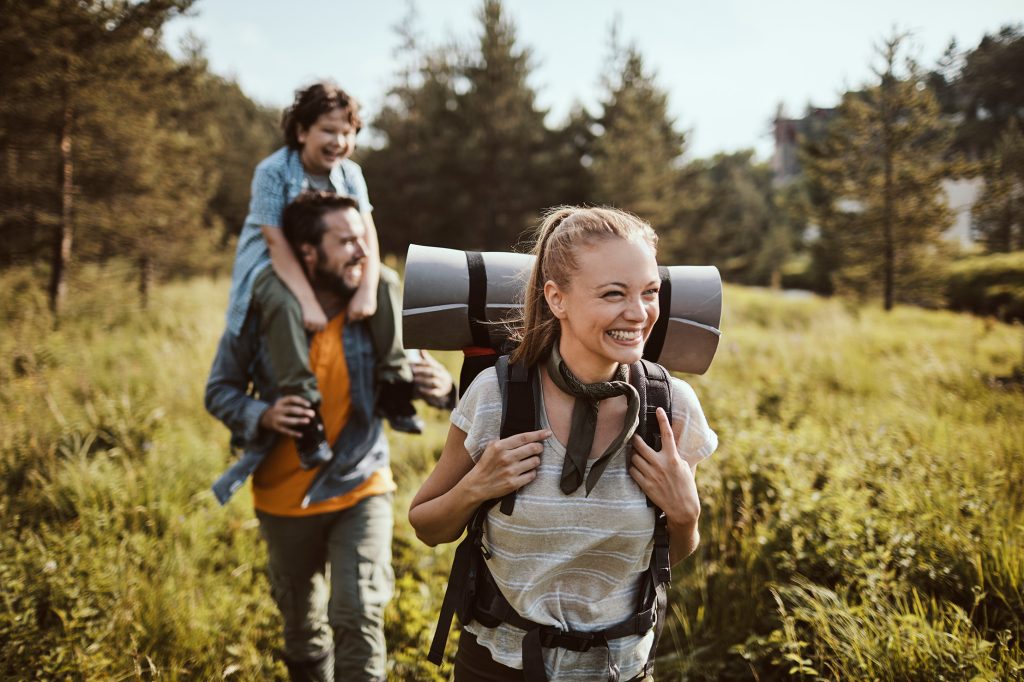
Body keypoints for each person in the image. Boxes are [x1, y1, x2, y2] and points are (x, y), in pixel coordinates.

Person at [409, 206, 717, 681]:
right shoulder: (496, 396)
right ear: (557, 298)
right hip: (501, 665)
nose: (638, 314)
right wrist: (476, 487)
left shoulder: (671, 408)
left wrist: (685, 514)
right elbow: (426, 527)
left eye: (649, 292)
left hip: (620, 669)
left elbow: (665, 556)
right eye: (613, 294)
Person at [206, 191, 455, 682]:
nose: (360, 251)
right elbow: (219, 391)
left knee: (358, 612)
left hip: (361, 486)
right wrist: (265, 412)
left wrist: (444, 388)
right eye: (344, 242)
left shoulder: (373, 306)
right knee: (301, 626)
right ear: (307, 252)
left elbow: (428, 381)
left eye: (361, 238)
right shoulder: (261, 312)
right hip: (282, 497)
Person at [223, 81, 421, 471]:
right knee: (282, 301)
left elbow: (368, 232)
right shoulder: (273, 171)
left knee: (386, 281)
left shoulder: (350, 174)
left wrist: (366, 290)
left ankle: (395, 384)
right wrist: (307, 301)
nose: (339, 141)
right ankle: (306, 410)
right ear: (301, 132)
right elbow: (276, 243)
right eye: (328, 131)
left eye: (347, 132)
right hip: (272, 263)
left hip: (333, 261)